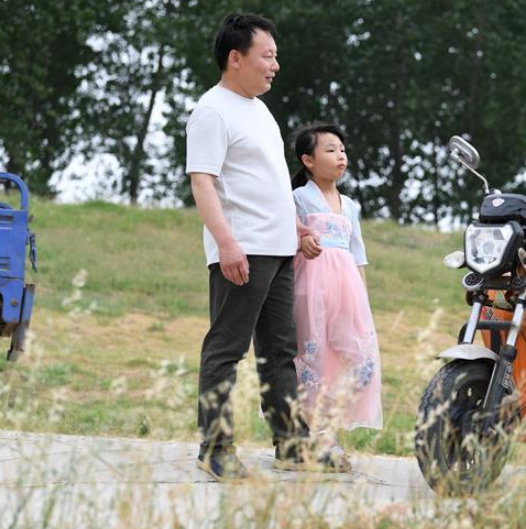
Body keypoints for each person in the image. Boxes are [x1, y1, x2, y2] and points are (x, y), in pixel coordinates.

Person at [186, 13, 332, 480]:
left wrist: (297, 227)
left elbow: (268, 184)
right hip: (243, 250)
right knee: (226, 349)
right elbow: (203, 182)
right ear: (236, 58)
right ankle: (215, 449)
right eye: (267, 56)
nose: (275, 65)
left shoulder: (259, 110)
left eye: (275, 56)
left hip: (280, 249)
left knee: (279, 352)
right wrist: (226, 243)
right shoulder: (212, 110)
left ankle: (292, 444)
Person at [291, 122, 383, 472]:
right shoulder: (299, 198)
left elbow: (357, 252)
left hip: (347, 291)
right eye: (330, 150)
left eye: (342, 149)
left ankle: (329, 428)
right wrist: (301, 241)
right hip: (311, 286)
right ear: (308, 160)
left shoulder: (351, 206)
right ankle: (317, 436)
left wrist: (362, 297)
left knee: (354, 357)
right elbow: (287, 235)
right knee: (313, 356)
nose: (340, 156)